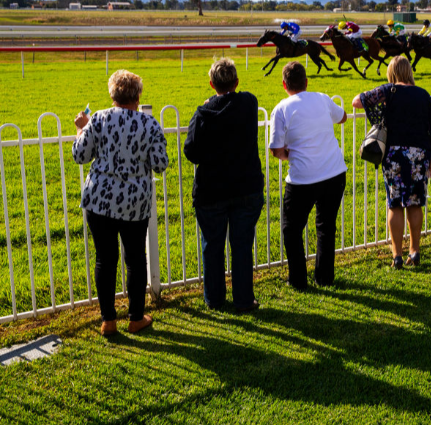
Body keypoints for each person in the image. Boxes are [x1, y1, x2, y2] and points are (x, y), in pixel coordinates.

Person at [72, 70, 169, 336]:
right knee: (135, 259)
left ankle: (108, 321)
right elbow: (160, 164)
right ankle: (136, 317)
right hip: (133, 202)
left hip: (100, 199)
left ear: (112, 94)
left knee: (105, 258)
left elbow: (80, 155)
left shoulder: (99, 119)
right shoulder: (148, 124)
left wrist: (81, 128)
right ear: (138, 96)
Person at [184, 58, 265, 312]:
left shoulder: (203, 114)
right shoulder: (249, 103)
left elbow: (191, 152)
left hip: (212, 190)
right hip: (246, 187)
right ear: (237, 82)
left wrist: (207, 105)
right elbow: (239, 102)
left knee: (212, 246)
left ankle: (214, 299)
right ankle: (243, 299)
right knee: (242, 245)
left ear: (211, 84)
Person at [353, 56, 431, 269]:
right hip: (420, 154)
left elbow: (357, 101)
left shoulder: (388, 91)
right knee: (415, 202)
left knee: (395, 203)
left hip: (394, 155)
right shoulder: (423, 94)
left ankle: (397, 255)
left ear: (392, 72)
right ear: (409, 71)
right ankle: (415, 251)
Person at [270, 61, 348, 290]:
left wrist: (290, 155)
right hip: (334, 172)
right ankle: (324, 277)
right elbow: (342, 117)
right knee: (326, 226)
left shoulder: (281, 108)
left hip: (303, 178)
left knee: (291, 229)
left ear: (284, 84)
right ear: (306, 82)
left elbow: (275, 149)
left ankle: (298, 279)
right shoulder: (322, 98)